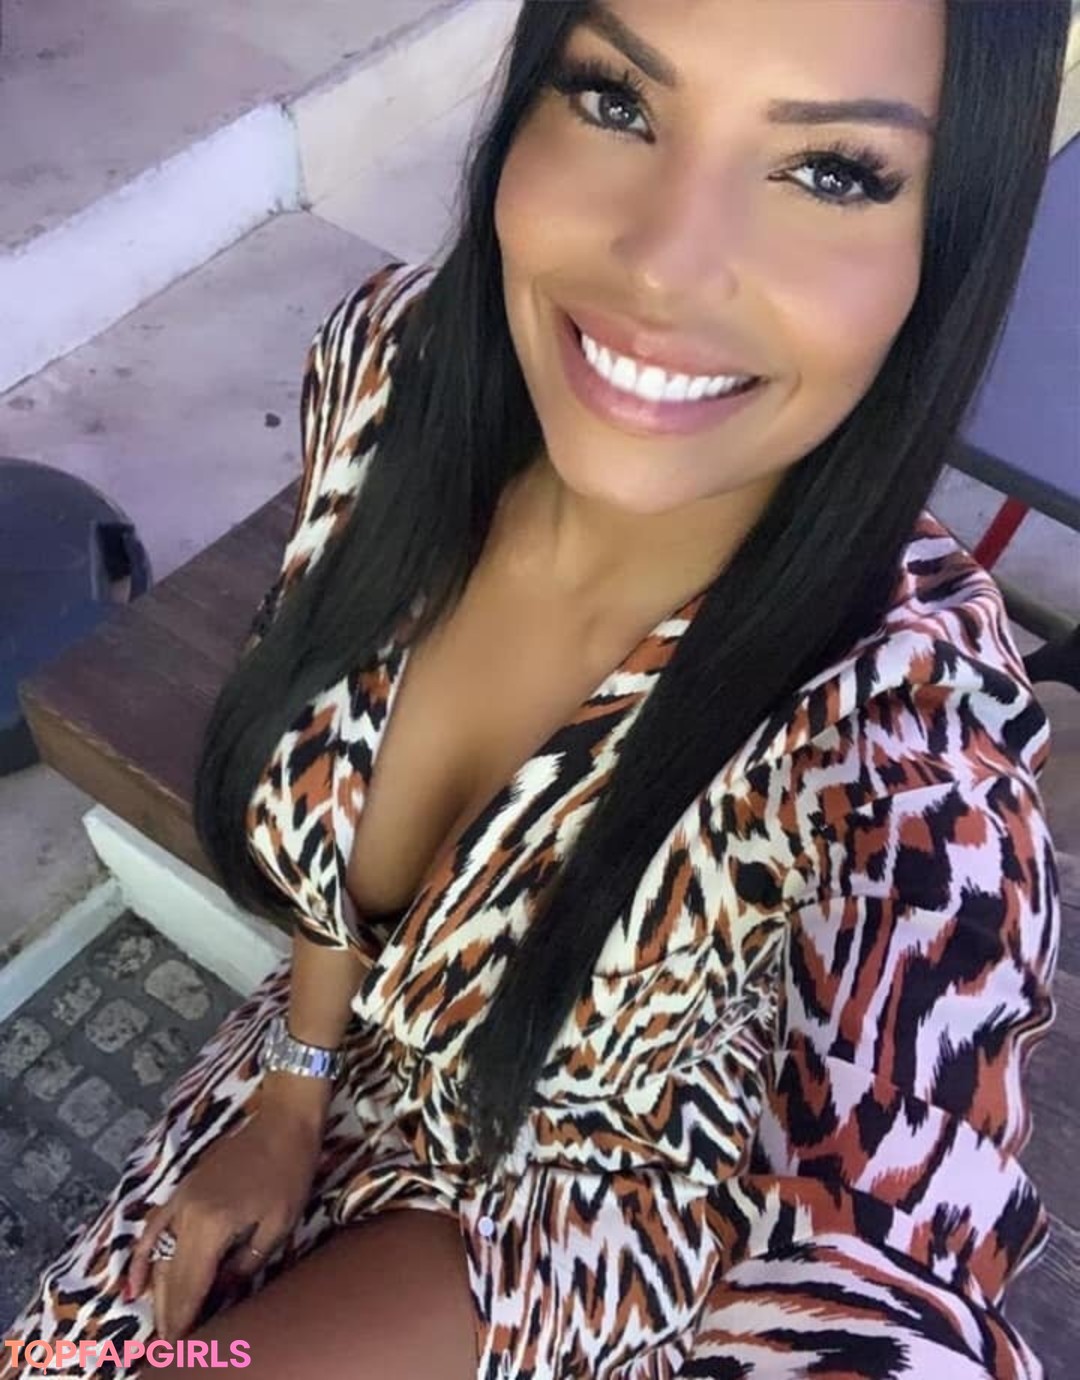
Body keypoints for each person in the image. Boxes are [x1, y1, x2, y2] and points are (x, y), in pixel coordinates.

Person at [2, 1, 1071, 1376]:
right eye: (616, 100)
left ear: (950, 242)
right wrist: (295, 1086)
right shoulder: (398, 370)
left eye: (832, 170)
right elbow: (327, 805)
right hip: (302, 1085)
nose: (663, 265)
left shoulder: (909, 725)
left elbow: (888, 1269)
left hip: (579, 1264)